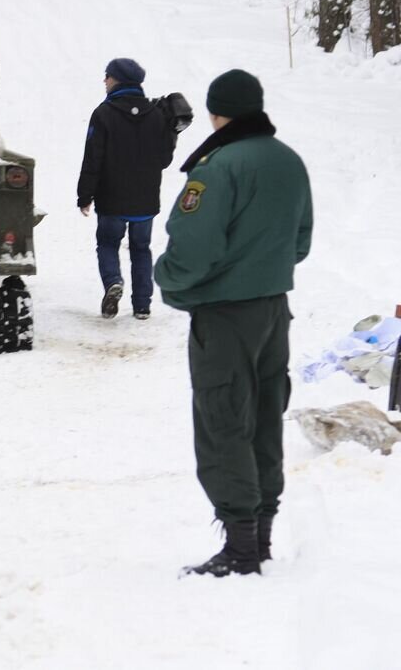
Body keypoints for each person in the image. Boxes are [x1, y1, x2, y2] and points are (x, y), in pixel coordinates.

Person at [154, 69, 312, 577]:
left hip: (225, 315)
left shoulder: (216, 167)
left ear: (216, 112)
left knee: (224, 421)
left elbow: (193, 248)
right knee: (266, 417)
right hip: (273, 309)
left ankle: (241, 547)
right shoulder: (289, 160)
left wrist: (170, 281)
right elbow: (300, 241)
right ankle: (261, 533)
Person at [76, 58, 178, 319]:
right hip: (145, 200)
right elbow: (164, 160)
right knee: (141, 249)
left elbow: (93, 158)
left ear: (118, 80)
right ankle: (142, 306)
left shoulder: (104, 114)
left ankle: (113, 282)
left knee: (108, 243)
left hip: (112, 199)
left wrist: (84, 195)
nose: (105, 81)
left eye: (107, 76)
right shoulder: (157, 114)